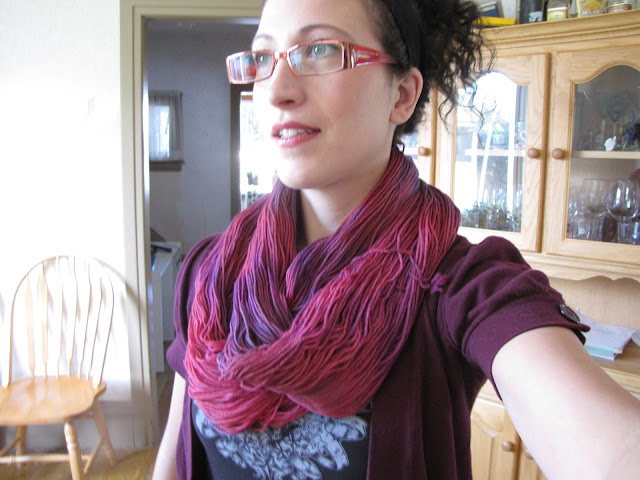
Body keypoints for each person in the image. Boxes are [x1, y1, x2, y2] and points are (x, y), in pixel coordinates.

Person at [153, 0, 640, 478]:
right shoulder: (210, 271)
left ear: (402, 95)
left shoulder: (458, 287)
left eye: (320, 50)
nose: (277, 90)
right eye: (263, 58)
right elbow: (174, 460)